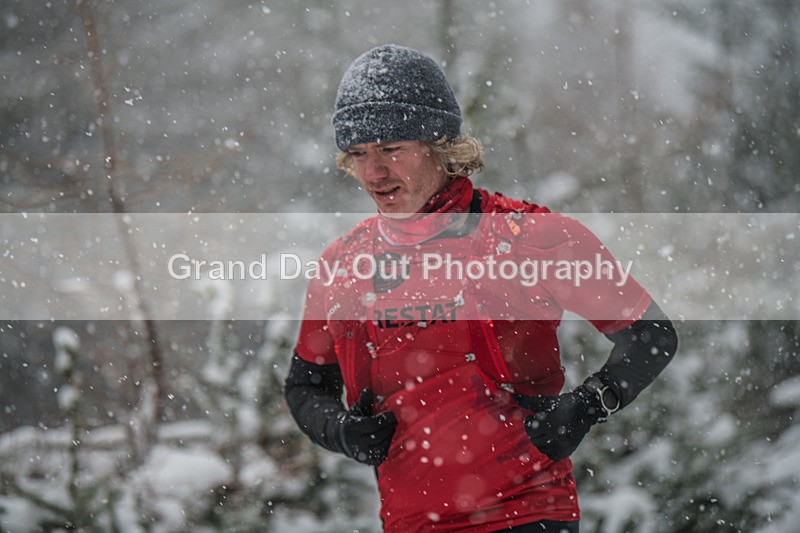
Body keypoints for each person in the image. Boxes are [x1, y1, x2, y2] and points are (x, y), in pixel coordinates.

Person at [284, 44, 678, 533]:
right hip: (412, 524)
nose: (374, 172)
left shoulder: (530, 238)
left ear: (441, 145)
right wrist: (340, 430)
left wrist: (589, 405)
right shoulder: (342, 266)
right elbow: (306, 387)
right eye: (359, 154)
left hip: (528, 515)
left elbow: (651, 334)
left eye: (391, 149)